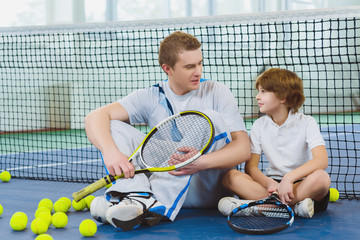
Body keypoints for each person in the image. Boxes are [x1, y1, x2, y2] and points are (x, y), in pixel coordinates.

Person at [85, 31, 251, 231]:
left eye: (200, 63)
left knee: (210, 118)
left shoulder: (217, 92)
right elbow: (94, 116)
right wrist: (112, 152)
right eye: (189, 66)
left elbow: (243, 149)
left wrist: (198, 163)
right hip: (162, 180)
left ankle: (138, 203)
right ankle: (137, 197)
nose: (198, 71)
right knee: (111, 125)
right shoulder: (151, 96)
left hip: (206, 187)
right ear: (167, 68)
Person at [218, 68, 331, 218]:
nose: (257, 97)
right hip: (271, 187)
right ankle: (293, 207)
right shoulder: (259, 125)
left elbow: (321, 160)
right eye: (258, 91)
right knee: (230, 177)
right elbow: (251, 167)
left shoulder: (307, 122)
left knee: (322, 178)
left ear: (282, 97)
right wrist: (269, 183)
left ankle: (262, 207)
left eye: (263, 91)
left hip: (302, 183)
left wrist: (289, 179)